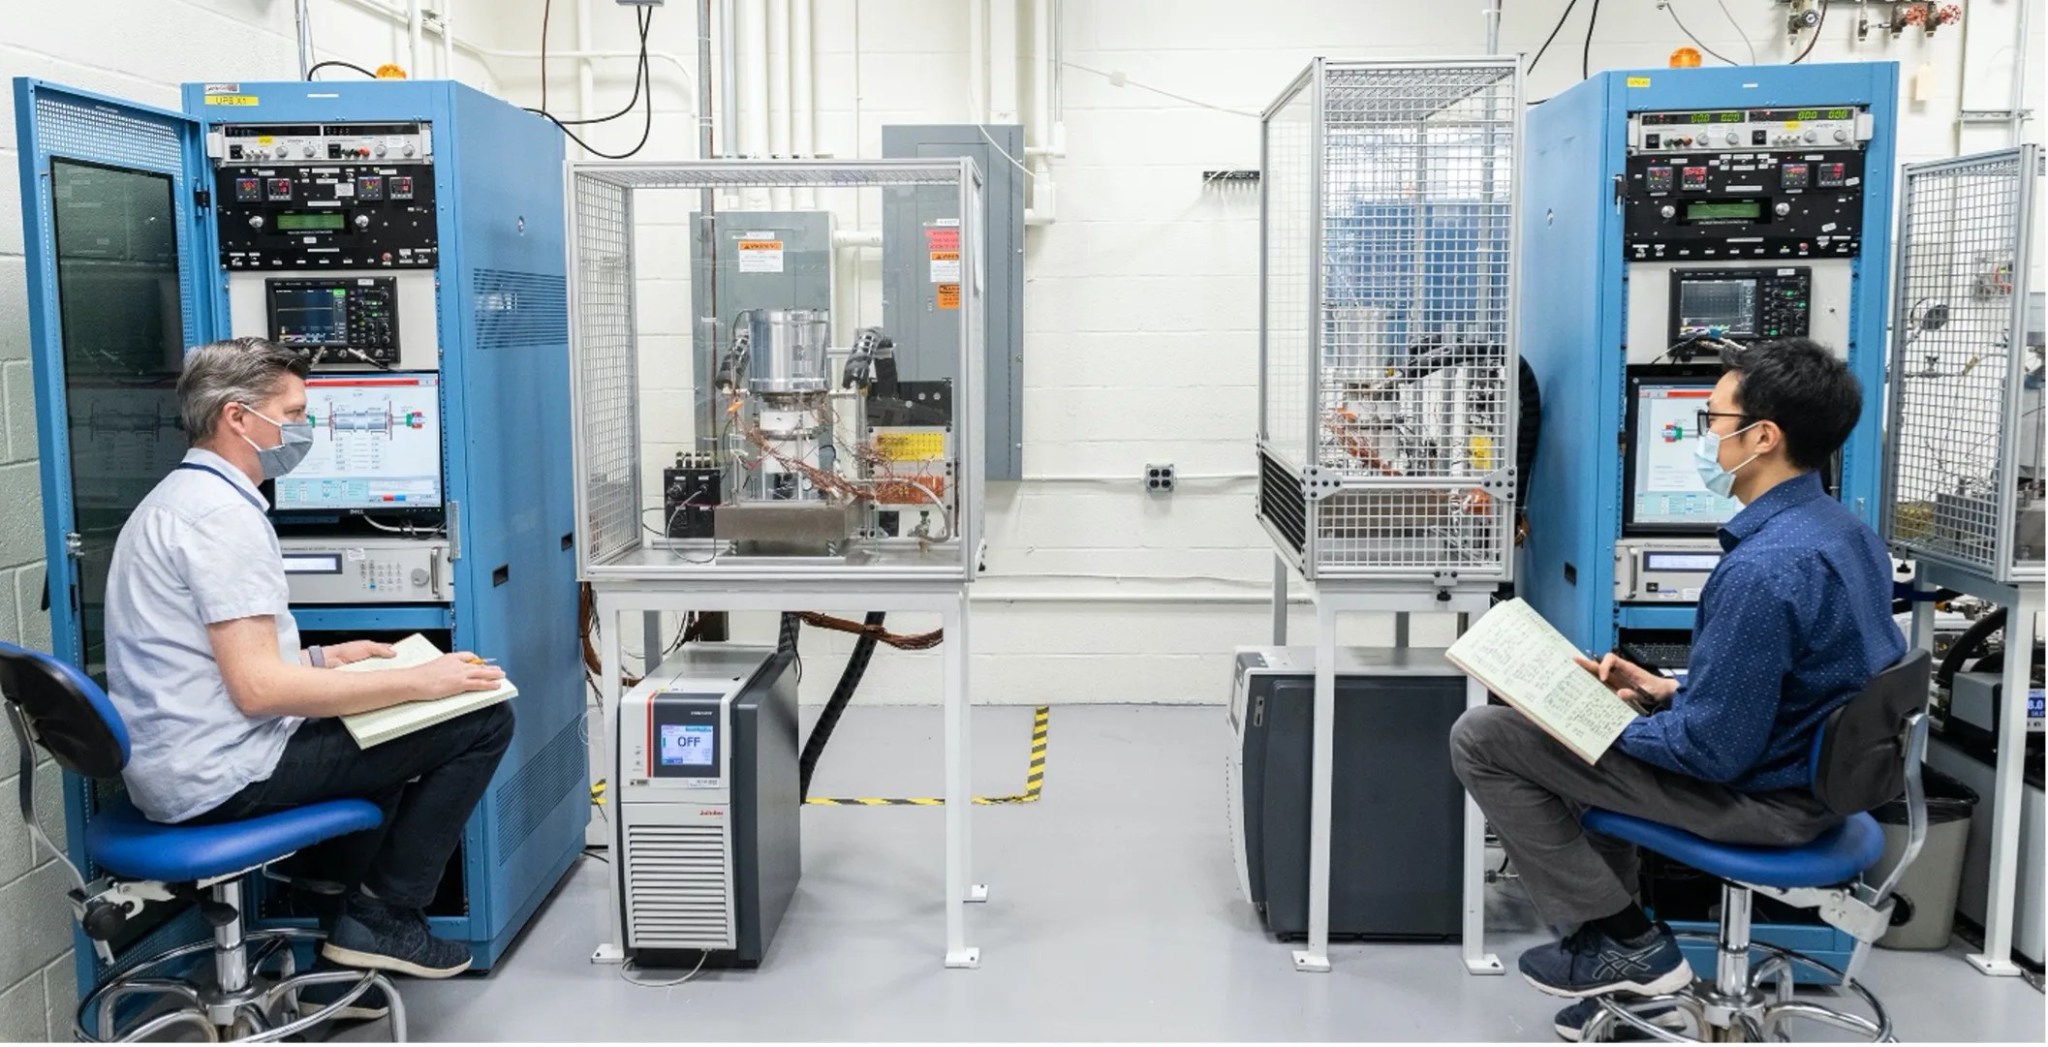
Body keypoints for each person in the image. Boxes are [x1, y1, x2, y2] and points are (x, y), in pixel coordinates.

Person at [1449, 339, 1906, 1041]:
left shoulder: (1765, 568)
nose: (1708, 435)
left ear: (1764, 436)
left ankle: (1624, 939)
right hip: (1817, 787)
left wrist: (1595, 718)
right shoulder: (1845, 533)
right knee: (1593, 754)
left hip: (1762, 802)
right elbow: (1802, 684)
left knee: (1485, 738)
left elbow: (1711, 752)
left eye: (1714, 418)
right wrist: (1663, 689)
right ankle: (1640, 980)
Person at [104, 337, 513, 1001]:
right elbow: (261, 689)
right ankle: (380, 916)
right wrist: (421, 681)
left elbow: (212, 664)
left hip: (178, 762)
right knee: (484, 718)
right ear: (238, 417)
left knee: (376, 725)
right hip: (221, 776)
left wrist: (327, 659)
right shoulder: (221, 519)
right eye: (293, 413)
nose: (303, 429)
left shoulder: (177, 500)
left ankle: (335, 933)